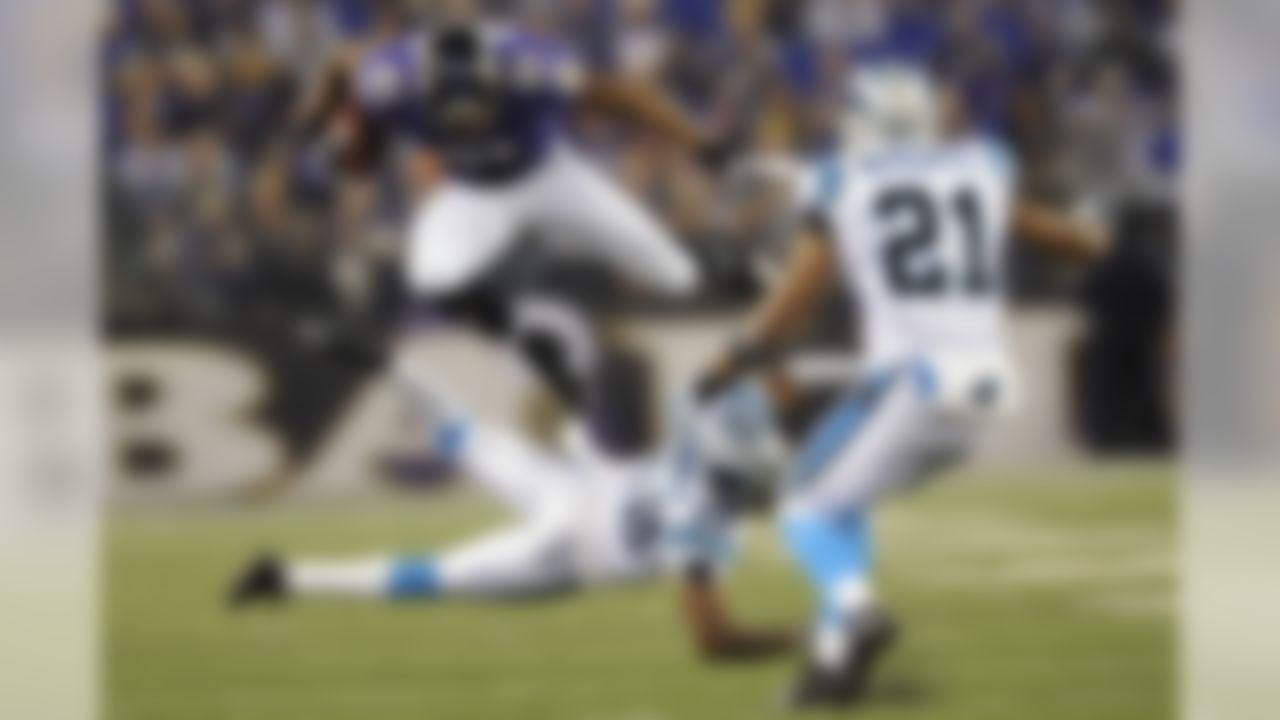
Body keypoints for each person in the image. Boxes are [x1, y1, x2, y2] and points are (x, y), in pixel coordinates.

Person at [697, 65, 1107, 707]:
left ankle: (855, 613)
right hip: (988, 384)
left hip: (911, 380)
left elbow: (797, 297)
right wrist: (1093, 238)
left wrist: (735, 355)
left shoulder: (845, 180)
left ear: (861, 121)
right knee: (841, 501)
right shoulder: (980, 164)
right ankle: (835, 670)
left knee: (802, 505)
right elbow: (1063, 240)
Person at [302, 15, 725, 458]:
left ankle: (727, 285)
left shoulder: (529, 67)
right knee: (432, 278)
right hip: (472, 192)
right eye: (454, 119)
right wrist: (313, 119)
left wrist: (705, 146)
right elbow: (341, 66)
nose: (467, 129)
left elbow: (627, 96)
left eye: (475, 113)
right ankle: (521, 334)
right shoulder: (389, 79)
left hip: (549, 176)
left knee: (676, 274)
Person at [230, 359, 797, 663]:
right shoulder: (709, 528)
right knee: (433, 573)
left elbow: (740, 384)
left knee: (463, 434)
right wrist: (798, 639)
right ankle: (285, 577)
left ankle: (386, 363)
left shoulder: (699, 436)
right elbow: (713, 641)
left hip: (579, 489)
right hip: (564, 551)